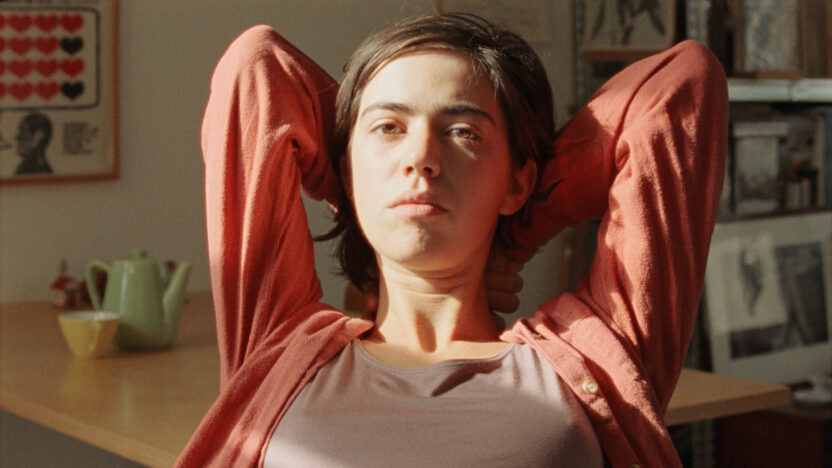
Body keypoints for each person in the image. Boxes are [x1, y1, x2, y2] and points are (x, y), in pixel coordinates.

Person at [176, 13, 727, 468]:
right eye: (388, 128)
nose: (421, 158)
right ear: (347, 168)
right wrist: (364, 196)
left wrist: (518, 231)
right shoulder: (277, 349)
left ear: (518, 181)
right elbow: (257, 65)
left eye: (463, 132)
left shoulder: (595, 356)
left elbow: (683, 83)